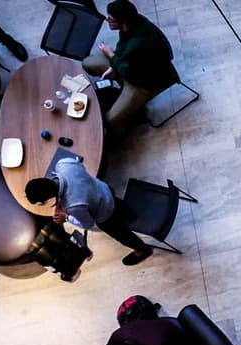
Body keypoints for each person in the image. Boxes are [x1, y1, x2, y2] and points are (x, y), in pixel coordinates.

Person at [24, 157, 154, 266]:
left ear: (46, 199)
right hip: (105, 191)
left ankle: (142, 249)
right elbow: (78, 169)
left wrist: (66, 217)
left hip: (106, 215)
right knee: (120, 207)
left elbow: (90, 224)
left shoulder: (73, 207)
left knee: (123, 235)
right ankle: (130, 215)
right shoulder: (63, 164)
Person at [81, 0, 175, 138]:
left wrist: (111, 56)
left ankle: (120, 137)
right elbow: (123, 49)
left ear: (123, 22)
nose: (107, 19)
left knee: (111, 119)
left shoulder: (137, 45)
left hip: (145, 83)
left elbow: (128, 71)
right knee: (88, 63)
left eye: (111, 19)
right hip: (133, 67)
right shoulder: (132, 24)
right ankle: (123, 98)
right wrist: (114, 64)